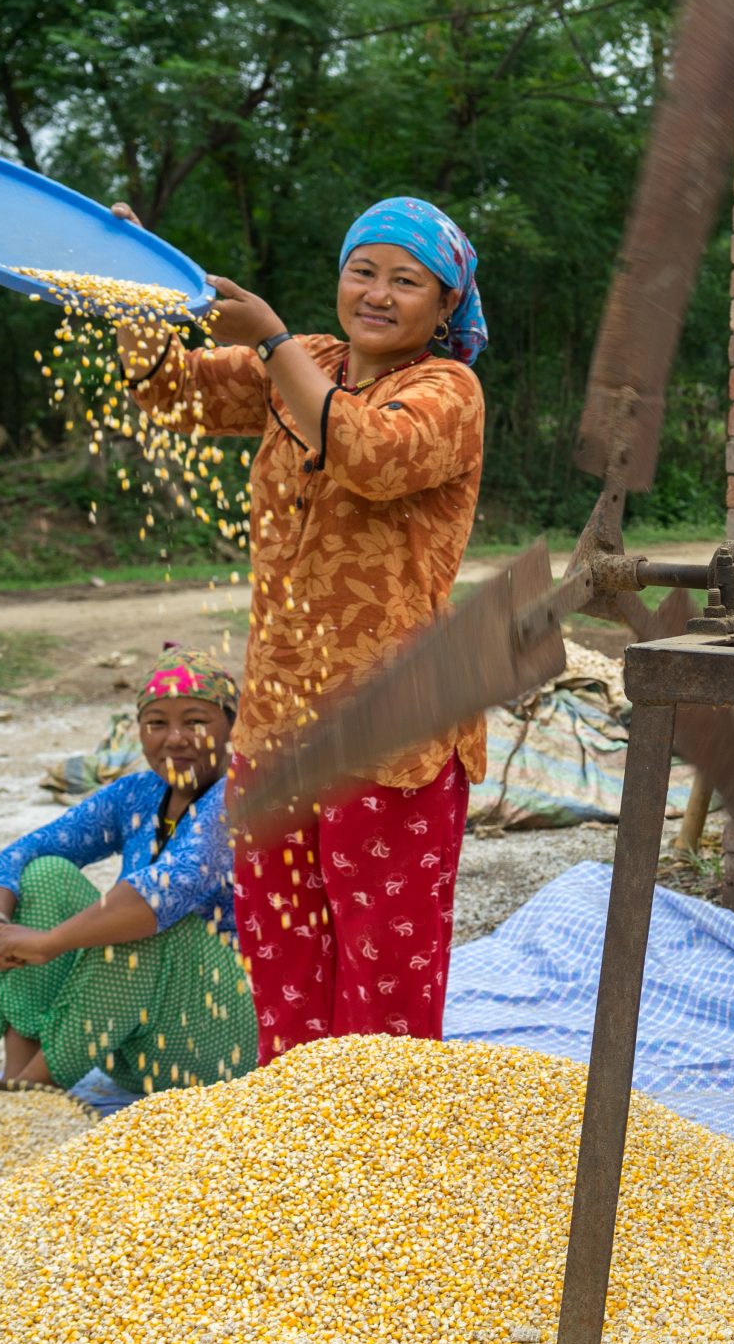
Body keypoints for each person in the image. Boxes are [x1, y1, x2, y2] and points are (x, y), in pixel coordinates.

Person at [112, 196, 489, 1060]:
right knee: (282, 964)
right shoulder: (309, 359)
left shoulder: (446, 390)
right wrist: (134, 287)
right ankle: (299, 1150)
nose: (379, 293)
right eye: (365, 270)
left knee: (383, 974)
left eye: (407, 280)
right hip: (279, 728)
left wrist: (274, 340)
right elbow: (176, 395)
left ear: (443, 304)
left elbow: (370, 455)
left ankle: (383, 1161)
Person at [0, 649, 257, 1095]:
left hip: (215, 1047)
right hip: (136, 1046)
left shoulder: (241, 794)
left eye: (196, 722)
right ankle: (18, 1082)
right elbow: (24, 852)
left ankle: (24, 1101)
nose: (175, 738)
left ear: (232, 727)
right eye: (157, 723)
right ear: (140, 731)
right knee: (47, 875)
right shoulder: (136, 793)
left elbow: (166, 889)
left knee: (146, 925)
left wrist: (49, 943)